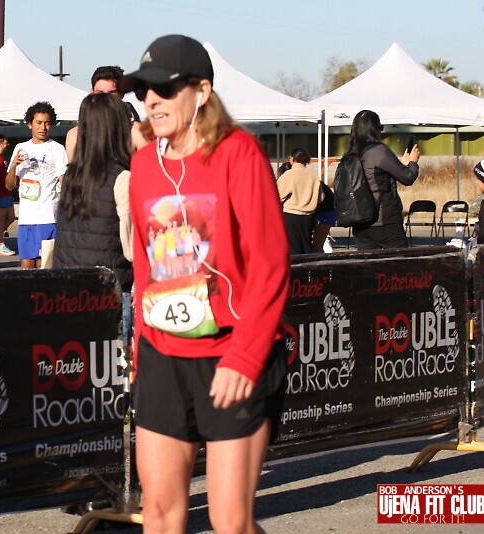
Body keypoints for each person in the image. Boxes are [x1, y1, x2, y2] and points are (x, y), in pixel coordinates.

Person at [120, 35, 289, 533]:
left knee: (229, 521)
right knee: (158, 514)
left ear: (202, 91)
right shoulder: (144, 164)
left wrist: (246, 357)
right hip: (162, 355)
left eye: (165, 89)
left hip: (232, 353)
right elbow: (146, 267)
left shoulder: (238, 153)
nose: (151, 100)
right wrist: (139, 348)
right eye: (143, 91)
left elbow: (270, 263)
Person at [54, 92, 134, 343]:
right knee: (113, 364)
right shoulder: (122, 178)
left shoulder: (72, 176)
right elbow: (132, 249)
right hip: (109, 293)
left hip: (66, 291)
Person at [5, 102, 68, 269]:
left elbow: (65, 182)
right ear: (29, 124)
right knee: (26, 266)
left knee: (44, 265)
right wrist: (13, 166)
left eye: (47, 123)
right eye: (39, 123)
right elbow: (9, 186)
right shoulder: (21, 148)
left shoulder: (57, 149)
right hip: (26, 219)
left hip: (48, 217)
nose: (43, 127)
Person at [346, 109, 420, 250]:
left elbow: (373, 176)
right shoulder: (378, 150)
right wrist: (413, 162)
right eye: (380, 127)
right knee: (400, 261)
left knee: (369, 263)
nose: (381, 131)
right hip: (384, 220)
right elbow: (408, 177)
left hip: (360, 222)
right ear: (374, 129)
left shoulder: (351, 154)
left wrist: (401, 164)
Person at [65, 65, 149, 160]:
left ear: (122, 93)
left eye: (112, 92)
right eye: (100, 93)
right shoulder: (75, 135)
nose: (105, 98)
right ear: (92, 93)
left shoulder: (136, 133)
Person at [276, 147, 321, 255]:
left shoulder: (290, 174)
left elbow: (278, 195)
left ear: (292, 158)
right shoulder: (313, 175)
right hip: (309, 215)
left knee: (293, 246)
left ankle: (296, 265)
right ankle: (308, 264)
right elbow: (320, 197)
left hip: (291, 214)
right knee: (306, 244)